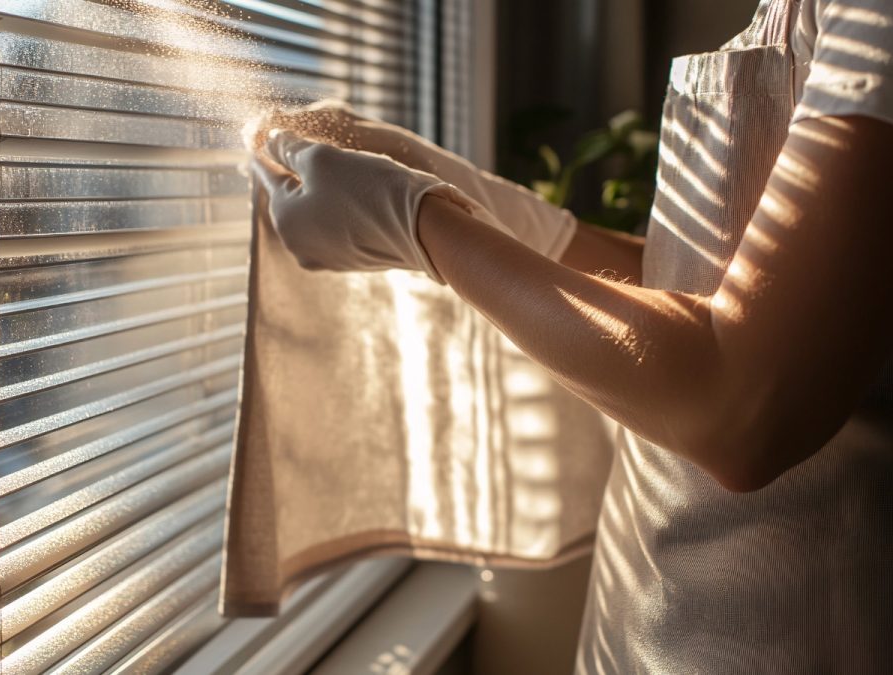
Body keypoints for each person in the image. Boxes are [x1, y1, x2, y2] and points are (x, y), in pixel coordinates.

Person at [250, 0, 892, 671]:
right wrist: (458, 194)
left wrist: (419, 224)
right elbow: (706, 289)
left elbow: (742, 408)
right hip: (649, 635)